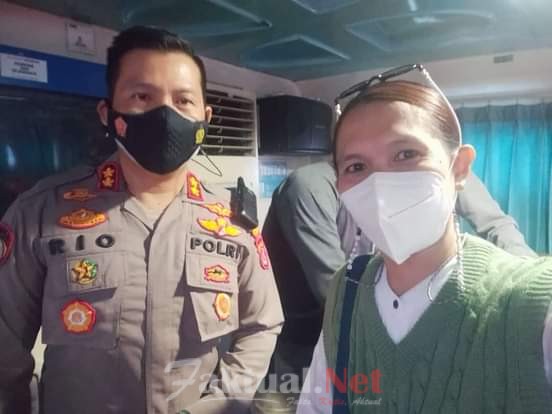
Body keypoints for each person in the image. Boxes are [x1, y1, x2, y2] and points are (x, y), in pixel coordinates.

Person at [0, 26, 283, 414]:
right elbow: (5, 348)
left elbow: (262, 325)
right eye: (142, 96)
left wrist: (219, 405)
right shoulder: (40, 212)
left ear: (205, 118)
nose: (165, 115)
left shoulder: (233, 221)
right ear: (108, 113)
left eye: (183, 100)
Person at [297, 65, 552, 413]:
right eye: (356, 167)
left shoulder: (531, 302)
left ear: (459, 168)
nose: (381, 185)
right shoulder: (347, 289)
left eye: (406, 154)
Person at [259, 158, 535, 411]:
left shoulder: (436, 164)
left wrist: (531, 294)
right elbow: (334, 290)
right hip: (303, 341)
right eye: (357, 165)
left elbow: (496, 225)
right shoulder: (310, 187)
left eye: (406, 153)